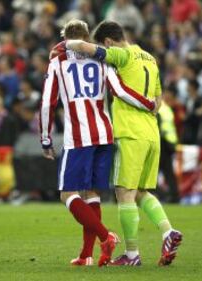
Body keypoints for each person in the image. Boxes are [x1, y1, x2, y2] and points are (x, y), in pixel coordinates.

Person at [65, 20, 183, 266]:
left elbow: (86, 50)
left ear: (108, 42)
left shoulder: (122, 55)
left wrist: (67, 43)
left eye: (102, 45)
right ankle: (168, 232)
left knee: (124, 193)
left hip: (129, 133)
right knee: (140, 192)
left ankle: (131, 255)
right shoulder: (150, 58)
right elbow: (159, 100)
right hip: (152, 134)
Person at [40, 20, 155, 267]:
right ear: (86, 38)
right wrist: (149, 104)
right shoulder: (102, 62)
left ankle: (106, 236)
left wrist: (46, 138)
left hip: (79, 137)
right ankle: (87, 255)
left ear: (65, 38)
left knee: (67, 194)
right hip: (105, 135)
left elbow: (47, 103)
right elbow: (121, 91)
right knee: (92, 194)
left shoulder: (58, 62)